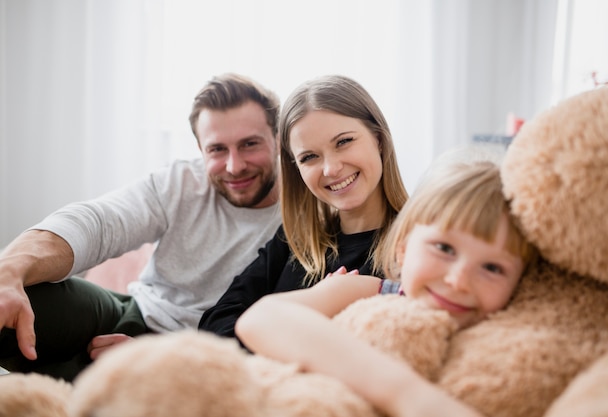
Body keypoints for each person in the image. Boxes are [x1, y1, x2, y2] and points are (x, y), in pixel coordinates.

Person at [0, 73, 283, 380]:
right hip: (132, 314)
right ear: (200, 149)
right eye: (217, 149)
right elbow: (99, 223)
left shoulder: (306, 213)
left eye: (250, 144)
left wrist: (157, 358)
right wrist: (10, 270)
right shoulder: (181, 182)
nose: (234, 165)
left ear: (278, 139)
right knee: (18, 298)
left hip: (204, 360)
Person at [236, 152, 539, 417]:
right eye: (444, 249)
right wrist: (408, 395)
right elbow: (260, 318)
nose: (457, 280)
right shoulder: (370, 291)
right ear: (404, 248)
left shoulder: (516, 331)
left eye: (492, 267)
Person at [199, 74, 409, 340]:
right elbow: (215, 325)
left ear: (378, 138)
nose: (331, 169)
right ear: (296, 168)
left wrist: (271, 326)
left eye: (343, 142)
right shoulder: (294, 241)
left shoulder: (422, 245)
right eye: (309, 157)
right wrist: (317, 301)